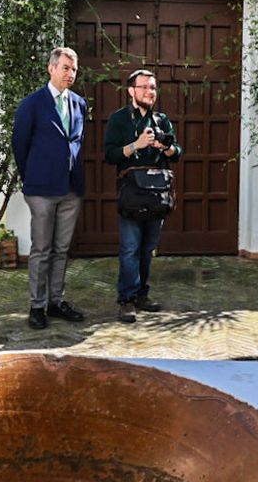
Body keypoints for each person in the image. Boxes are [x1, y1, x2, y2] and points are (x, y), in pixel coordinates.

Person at [12, 46, 89, 329]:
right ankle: (37, 306)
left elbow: (77, 143)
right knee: (41, 249)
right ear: (51, 68)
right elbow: (19, 145)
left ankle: (56, 301)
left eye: (74, 69)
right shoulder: (32, 104)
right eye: (66, 68)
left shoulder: (80, 104)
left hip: (71, 188)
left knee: (61, 249)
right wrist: (31, 177)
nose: (70, 74)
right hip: (41, 189)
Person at [103, 68, 181, 323]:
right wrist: (136, 145)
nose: (150, 92)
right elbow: (109, 155)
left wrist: (165, 147)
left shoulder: (162, 120)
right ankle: (126, 299)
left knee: (148, 249)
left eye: (153, 87)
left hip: (157, 194)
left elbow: (177, 152)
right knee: (129, 249)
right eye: (145, 87)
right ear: (131, 91)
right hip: (132, 194)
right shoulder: (119, 119)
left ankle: (141, 295)